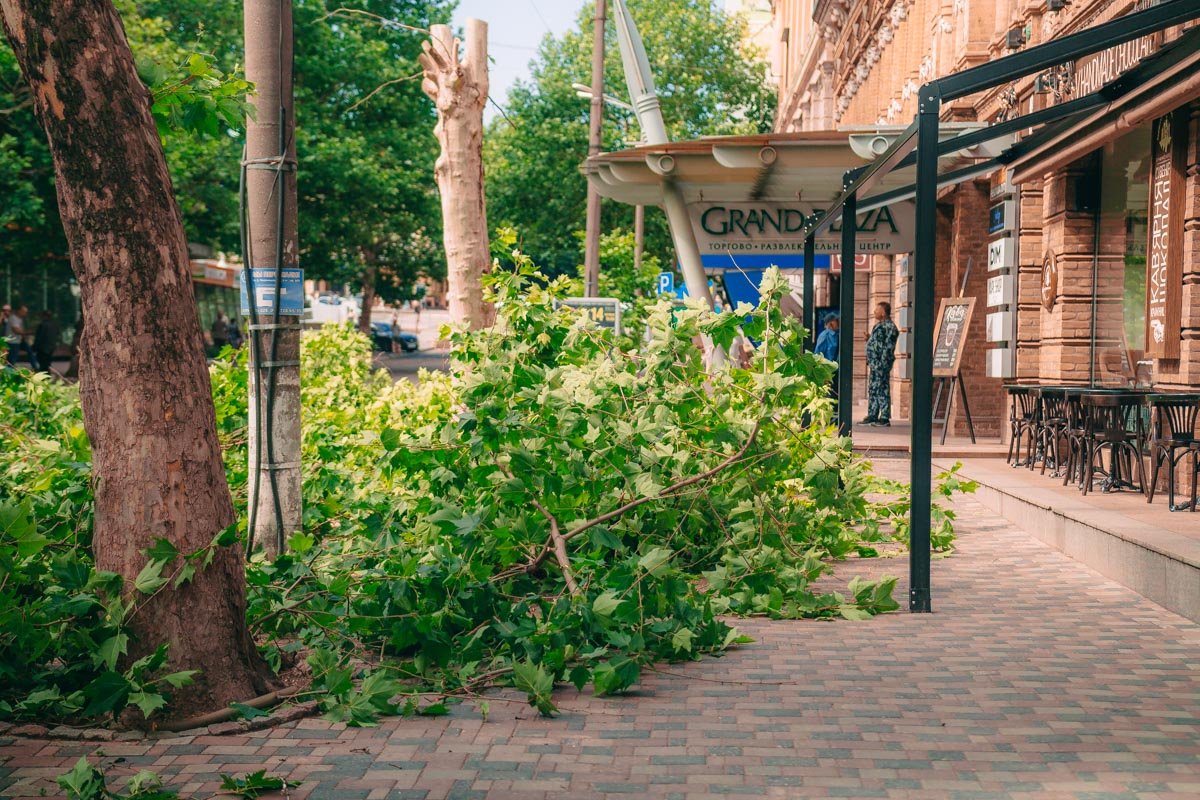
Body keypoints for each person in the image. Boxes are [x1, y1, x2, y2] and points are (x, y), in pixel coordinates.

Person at [862, 301, 899, 427]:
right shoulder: (878, 326)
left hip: (880, 364)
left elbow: (888, 347)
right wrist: (869, 339)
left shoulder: (890, 327)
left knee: (882, 389)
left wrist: (882, 364)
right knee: (873, 388)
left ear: (883, 313)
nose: (874, 312)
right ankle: (873, 414)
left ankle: (884, 417)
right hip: (874, 364)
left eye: (877, 310)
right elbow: (877, 342)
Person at [5, 303, 35, 368]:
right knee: (12, 359)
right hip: (13, 342)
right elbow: (16, 330)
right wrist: (28, 333)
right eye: (24, 312)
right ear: (19, 311)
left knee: (30, 352)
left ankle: (35, 367)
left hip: (19, 341)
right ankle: (8, 372)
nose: (25, 313)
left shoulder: (20, 319)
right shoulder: (13, 318)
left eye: (26, 312)